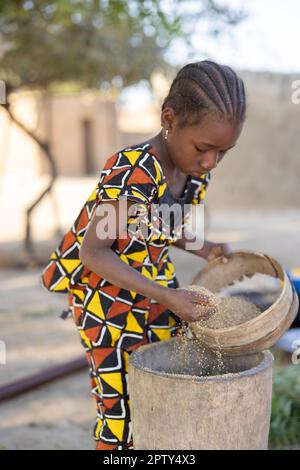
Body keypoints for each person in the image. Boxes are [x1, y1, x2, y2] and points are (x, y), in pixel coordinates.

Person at [41, 60, 246, 450]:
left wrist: (204, 247)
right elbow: (95, 253)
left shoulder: (195, 172)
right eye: (204, 149)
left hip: (152, 283)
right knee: (121, 412)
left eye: (224, 152)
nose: (211, 162)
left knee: (166, 388)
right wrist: (169, 296)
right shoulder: (132, 169)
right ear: (170, 118)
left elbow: (154, 225)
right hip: (106, 299)